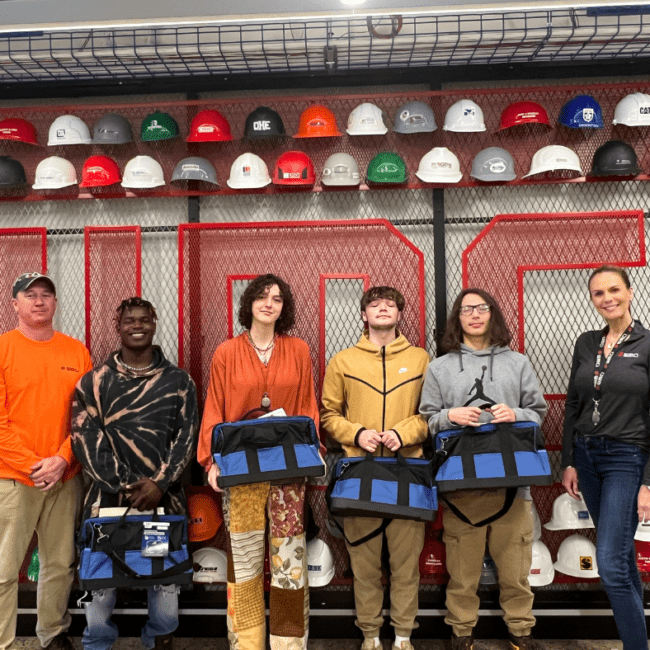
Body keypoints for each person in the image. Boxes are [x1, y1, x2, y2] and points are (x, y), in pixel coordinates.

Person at [419, 288, 547, 650]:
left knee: (515, 573)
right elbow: (427, 419)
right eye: (466, 310)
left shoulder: (518, 362)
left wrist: (516, 414)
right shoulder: (440, 367)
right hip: (462, 487)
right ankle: (461, 634)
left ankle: (521, 631)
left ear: (493, 314)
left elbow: (538, 414)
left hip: (513, 487)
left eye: (481, 308)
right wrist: (450, 416)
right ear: (456, 319)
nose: (474, 315)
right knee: (461, 575)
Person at [197, 274, 319, 650]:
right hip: (242, 470)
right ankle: (246, 643)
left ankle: (288, 643)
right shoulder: (226, 352)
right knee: (246, 561)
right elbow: (214, 408)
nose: (270, 303)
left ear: (284, 309)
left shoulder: (298, 349)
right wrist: (210, 462)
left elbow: (307, 406)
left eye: (278, 299)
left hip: (286, 469)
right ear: (249, 304)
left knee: (289, 564)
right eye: (263, 297)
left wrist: (315, 452)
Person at [71, 297, 198, 650]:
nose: (137, 325)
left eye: (144, 319)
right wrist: (124, 484)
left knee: (165, 589)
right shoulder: (93, 383)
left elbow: (186, 437)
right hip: (107, 503)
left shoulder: (179, 381)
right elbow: (85, 441)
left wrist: (159, 483)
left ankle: (158, 639)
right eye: (130, 320)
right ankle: (98, 643)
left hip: (163, 502)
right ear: (119, 326)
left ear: (155, 324)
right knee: (100, 589)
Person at [321, 286, 430, 650]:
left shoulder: (420, 359)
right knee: (364, 566)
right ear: (364, 315)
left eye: (390, 305)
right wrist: (358, 433)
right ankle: (370, 635)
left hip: (407, 474)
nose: (383, 309)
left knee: (405, 566)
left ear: (399, 314)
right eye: (374, 304)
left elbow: (430, 414)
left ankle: (402, 637)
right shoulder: (343, 361)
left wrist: (404, 432)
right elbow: (328, 415)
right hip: (358, 474)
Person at [0, 272, 92, 650]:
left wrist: (62, 459)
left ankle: (52, 632)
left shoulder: (76, 352)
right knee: (5, 570)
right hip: (15, 480)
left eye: (46, 295)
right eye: (30, 294)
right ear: (15, 304)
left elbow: (88, 417)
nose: (39, 301)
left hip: (64, 478)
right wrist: (33, 465)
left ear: (55, 304)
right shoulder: (4, 349)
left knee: (59, 565)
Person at [561, 265, 650, 650]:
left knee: (610, 564)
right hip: (587, 457)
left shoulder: (647, 344)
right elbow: (574, 403)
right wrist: (569, 459)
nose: (607, 298)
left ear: (630, 292)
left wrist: (649, 481)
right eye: (598, 293)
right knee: (622, 559)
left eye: (614, 289)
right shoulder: (586, 342)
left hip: (627, 459)